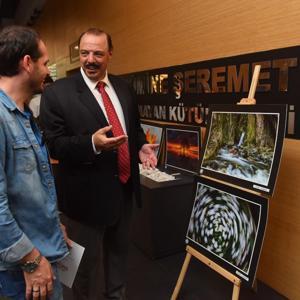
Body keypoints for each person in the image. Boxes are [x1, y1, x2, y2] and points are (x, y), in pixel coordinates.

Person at [40, 28, 158, 300]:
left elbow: (134, 128)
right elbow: (55, 144)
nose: (90, 60)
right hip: (84, 202)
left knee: (118, 258)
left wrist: (140, 146)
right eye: (84, 53)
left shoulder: (124, 88)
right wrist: (91, 143)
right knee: (82, 270)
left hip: (124, 192)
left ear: (110, 54)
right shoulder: (57, 93)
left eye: (98, 53)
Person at [0, 26, 70, 300]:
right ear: (27, 63)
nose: (48, 71)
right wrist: (30, 259)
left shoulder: (23, 114)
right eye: (45, 63)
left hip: (42, 255)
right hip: (24, 272)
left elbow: (28, 188)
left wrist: (53, 223)